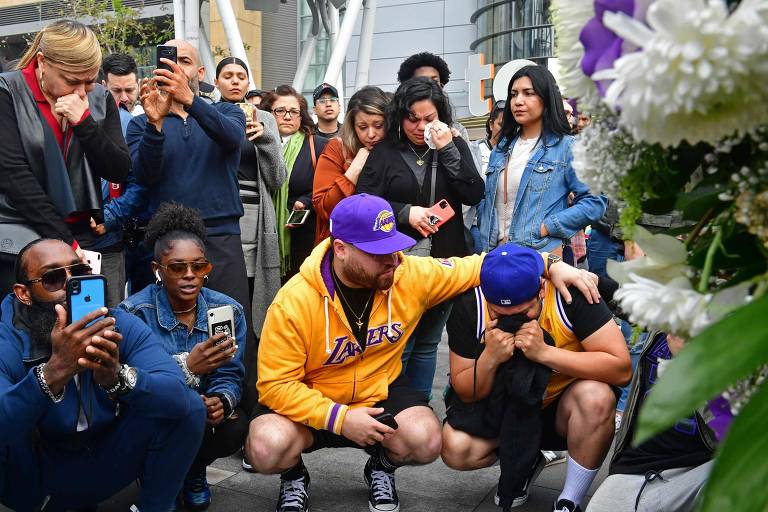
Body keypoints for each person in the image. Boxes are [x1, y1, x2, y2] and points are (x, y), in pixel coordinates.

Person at [245, 193, 599, 512]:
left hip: (376, 389)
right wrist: (338, 418)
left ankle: (380, 466)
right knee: (264, 446)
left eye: (394, 247)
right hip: (313, 399)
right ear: (341, 249)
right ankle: (293, 476)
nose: (393, 261)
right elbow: (275, 386)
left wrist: (551, 264)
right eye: (378, 253)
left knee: (427, 440)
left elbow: (484, 263)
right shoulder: (293, 301)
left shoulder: (407, 272)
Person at [0, 238, 206, 510]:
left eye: (80, 272)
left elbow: (178, 397)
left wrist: (118, 379)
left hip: (100, 458)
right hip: (34, 475)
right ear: (23, 293)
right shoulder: (8, 337)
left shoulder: (118, 323)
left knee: (191, 407)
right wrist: (53, 373)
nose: (70, 286)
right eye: (52, 278)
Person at [440, 244, 631, 512]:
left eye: (524, 311)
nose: (514, 321)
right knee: (455, 448)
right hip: (504, 409)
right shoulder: (471, 303)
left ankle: (570, 500)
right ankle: (527, 459)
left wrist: (545, 353)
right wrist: (490, 358)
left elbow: (621, 369)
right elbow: (466, 391)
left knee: (596, 397)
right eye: (500, 314)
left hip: (561, 410)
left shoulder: (568, 293)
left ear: (542, 289)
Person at [125, 39, 252, 381]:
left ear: (199, 72)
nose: (176, 67)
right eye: (169, 60)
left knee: (228, 324)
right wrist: (154, 125)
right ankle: (174, 396)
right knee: (164, 326)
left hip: (220, 236)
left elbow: (233, 140)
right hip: (169, 242)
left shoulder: (226, 111)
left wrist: (191, 101)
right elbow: (144, 175)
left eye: (183, 60)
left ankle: (231, 403)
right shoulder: (141, 123)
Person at [356, 77, 484, 397]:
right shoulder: (385, 151)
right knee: (400, 340)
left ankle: (420, 407)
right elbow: (364, 201)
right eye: (412, 118)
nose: (420, 126)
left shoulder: (453, 146)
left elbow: (473, 192)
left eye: (429, 118)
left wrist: (449, 149)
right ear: (400, 116)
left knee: (428, 343)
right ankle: (396, 411)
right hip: (397, 259)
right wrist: (405, 212)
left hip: (444, 258)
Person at [119, 203, 248, 509]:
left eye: (199, 266)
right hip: (154, 415)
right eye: (177, 267)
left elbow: (231, 373)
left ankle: (193, 470)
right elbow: (133, 385)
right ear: (157, 270)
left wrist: (220, 399)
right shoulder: (134, 314)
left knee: (236, 423)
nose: (190, 276)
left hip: (201, 420)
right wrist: (188, 366)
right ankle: (157, 475)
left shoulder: (228, 311)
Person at [0, 20, 130, 295]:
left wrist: (84, 123)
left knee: (87, 327)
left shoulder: (99, 98)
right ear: (42, 62)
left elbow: (118, 169)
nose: (82, 91)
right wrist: (65, 242)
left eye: (90, 82)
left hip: (83, 237)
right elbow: (14, 176)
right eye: (72, 81)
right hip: (19, 234)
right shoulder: (8, 91)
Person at [214, 56, 287, 410]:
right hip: (220, 224)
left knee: (259, 314)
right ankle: (228, 398)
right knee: (227, 309)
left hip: (258, 224)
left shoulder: (267, 119)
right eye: (227, 75)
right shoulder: (208, 115)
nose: (235, 81)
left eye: (241, 76)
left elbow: (277, 179)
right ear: (216, 82)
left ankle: (257, 403)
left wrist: (266, 142)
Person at [476, 65, 606, 256]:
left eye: (528, 93)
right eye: (514, 94)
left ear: (546, 98)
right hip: (495, 255)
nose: (518, 101)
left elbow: (594, 203)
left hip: (539, 255)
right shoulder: (502, 148)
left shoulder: (568, 147)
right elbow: (489, 200)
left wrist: (546, 227)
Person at [586, 333, 717, 512]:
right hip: (638, 468)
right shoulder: (661, 326)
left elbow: (737, 432)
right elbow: (622, 308)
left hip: (698, 473)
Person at [89, 52, 148, 306]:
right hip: (85, 235)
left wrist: (110, 215)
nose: (124, 98)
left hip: (120, 235)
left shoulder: (137, 125)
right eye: (116, 91)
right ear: (103, 86)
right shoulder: (82, 116)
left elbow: (141, 182)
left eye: (129, 90)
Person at [261, 85, 328, 281]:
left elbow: (327, 186)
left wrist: (306, 201)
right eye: (280, 111)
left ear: (301, 116)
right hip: (264, 231)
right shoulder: (257, 144)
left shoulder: (318, 145)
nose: (287, 116)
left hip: (304, 234)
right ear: (268, 114)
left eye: (293, 111)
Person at [312, 86, 389, 244]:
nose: (371, 134)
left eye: (378, 126)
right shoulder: (338, 148)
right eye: (362, 127)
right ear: (352, 127)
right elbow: (323, 207)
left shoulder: (399, 148)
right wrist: (354, 171)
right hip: (347, 243)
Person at [396, 52, 468, 140]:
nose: (429, 85)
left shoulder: (457, 130)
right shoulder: (393, 129)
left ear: (441, 86)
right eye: (422, 81)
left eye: (434, 81)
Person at [466, 100, 505, 253]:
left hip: (505, 228)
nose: (506, 130)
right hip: (476, 224)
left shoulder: (516, 154)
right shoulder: (473, 149)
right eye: (501, 124)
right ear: (491, 125)